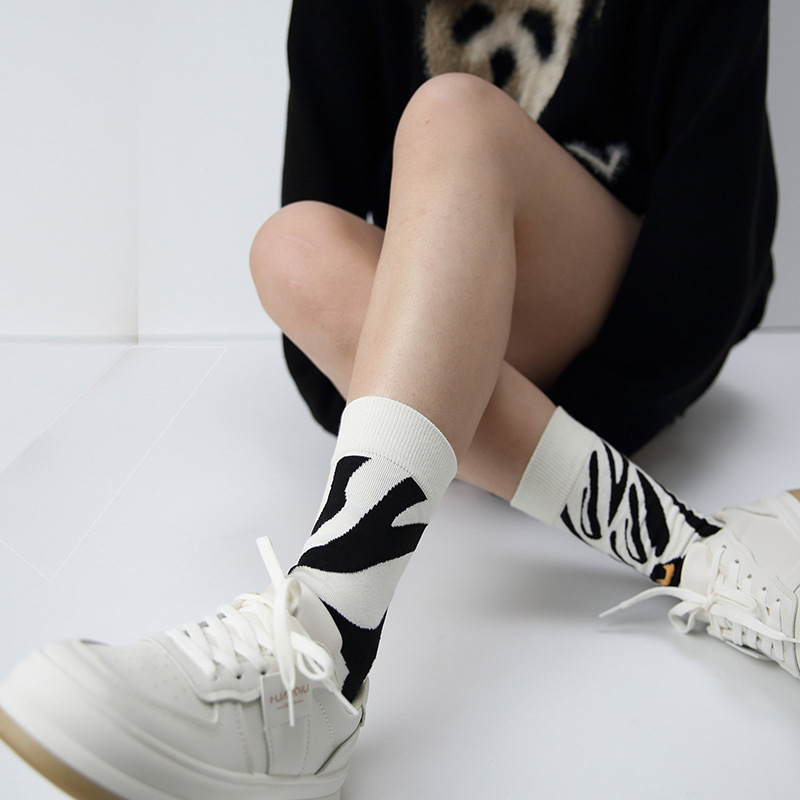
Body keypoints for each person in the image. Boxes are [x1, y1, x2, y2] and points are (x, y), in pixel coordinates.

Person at [0, 1, 797, 799]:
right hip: (445, 329)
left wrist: (501, 411)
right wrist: (445, 387)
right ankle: (689, 543)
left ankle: (325, 644)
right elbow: (322, 241)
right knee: (289, 246)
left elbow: (709, 273)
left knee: (455, 116)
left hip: (619, 325)